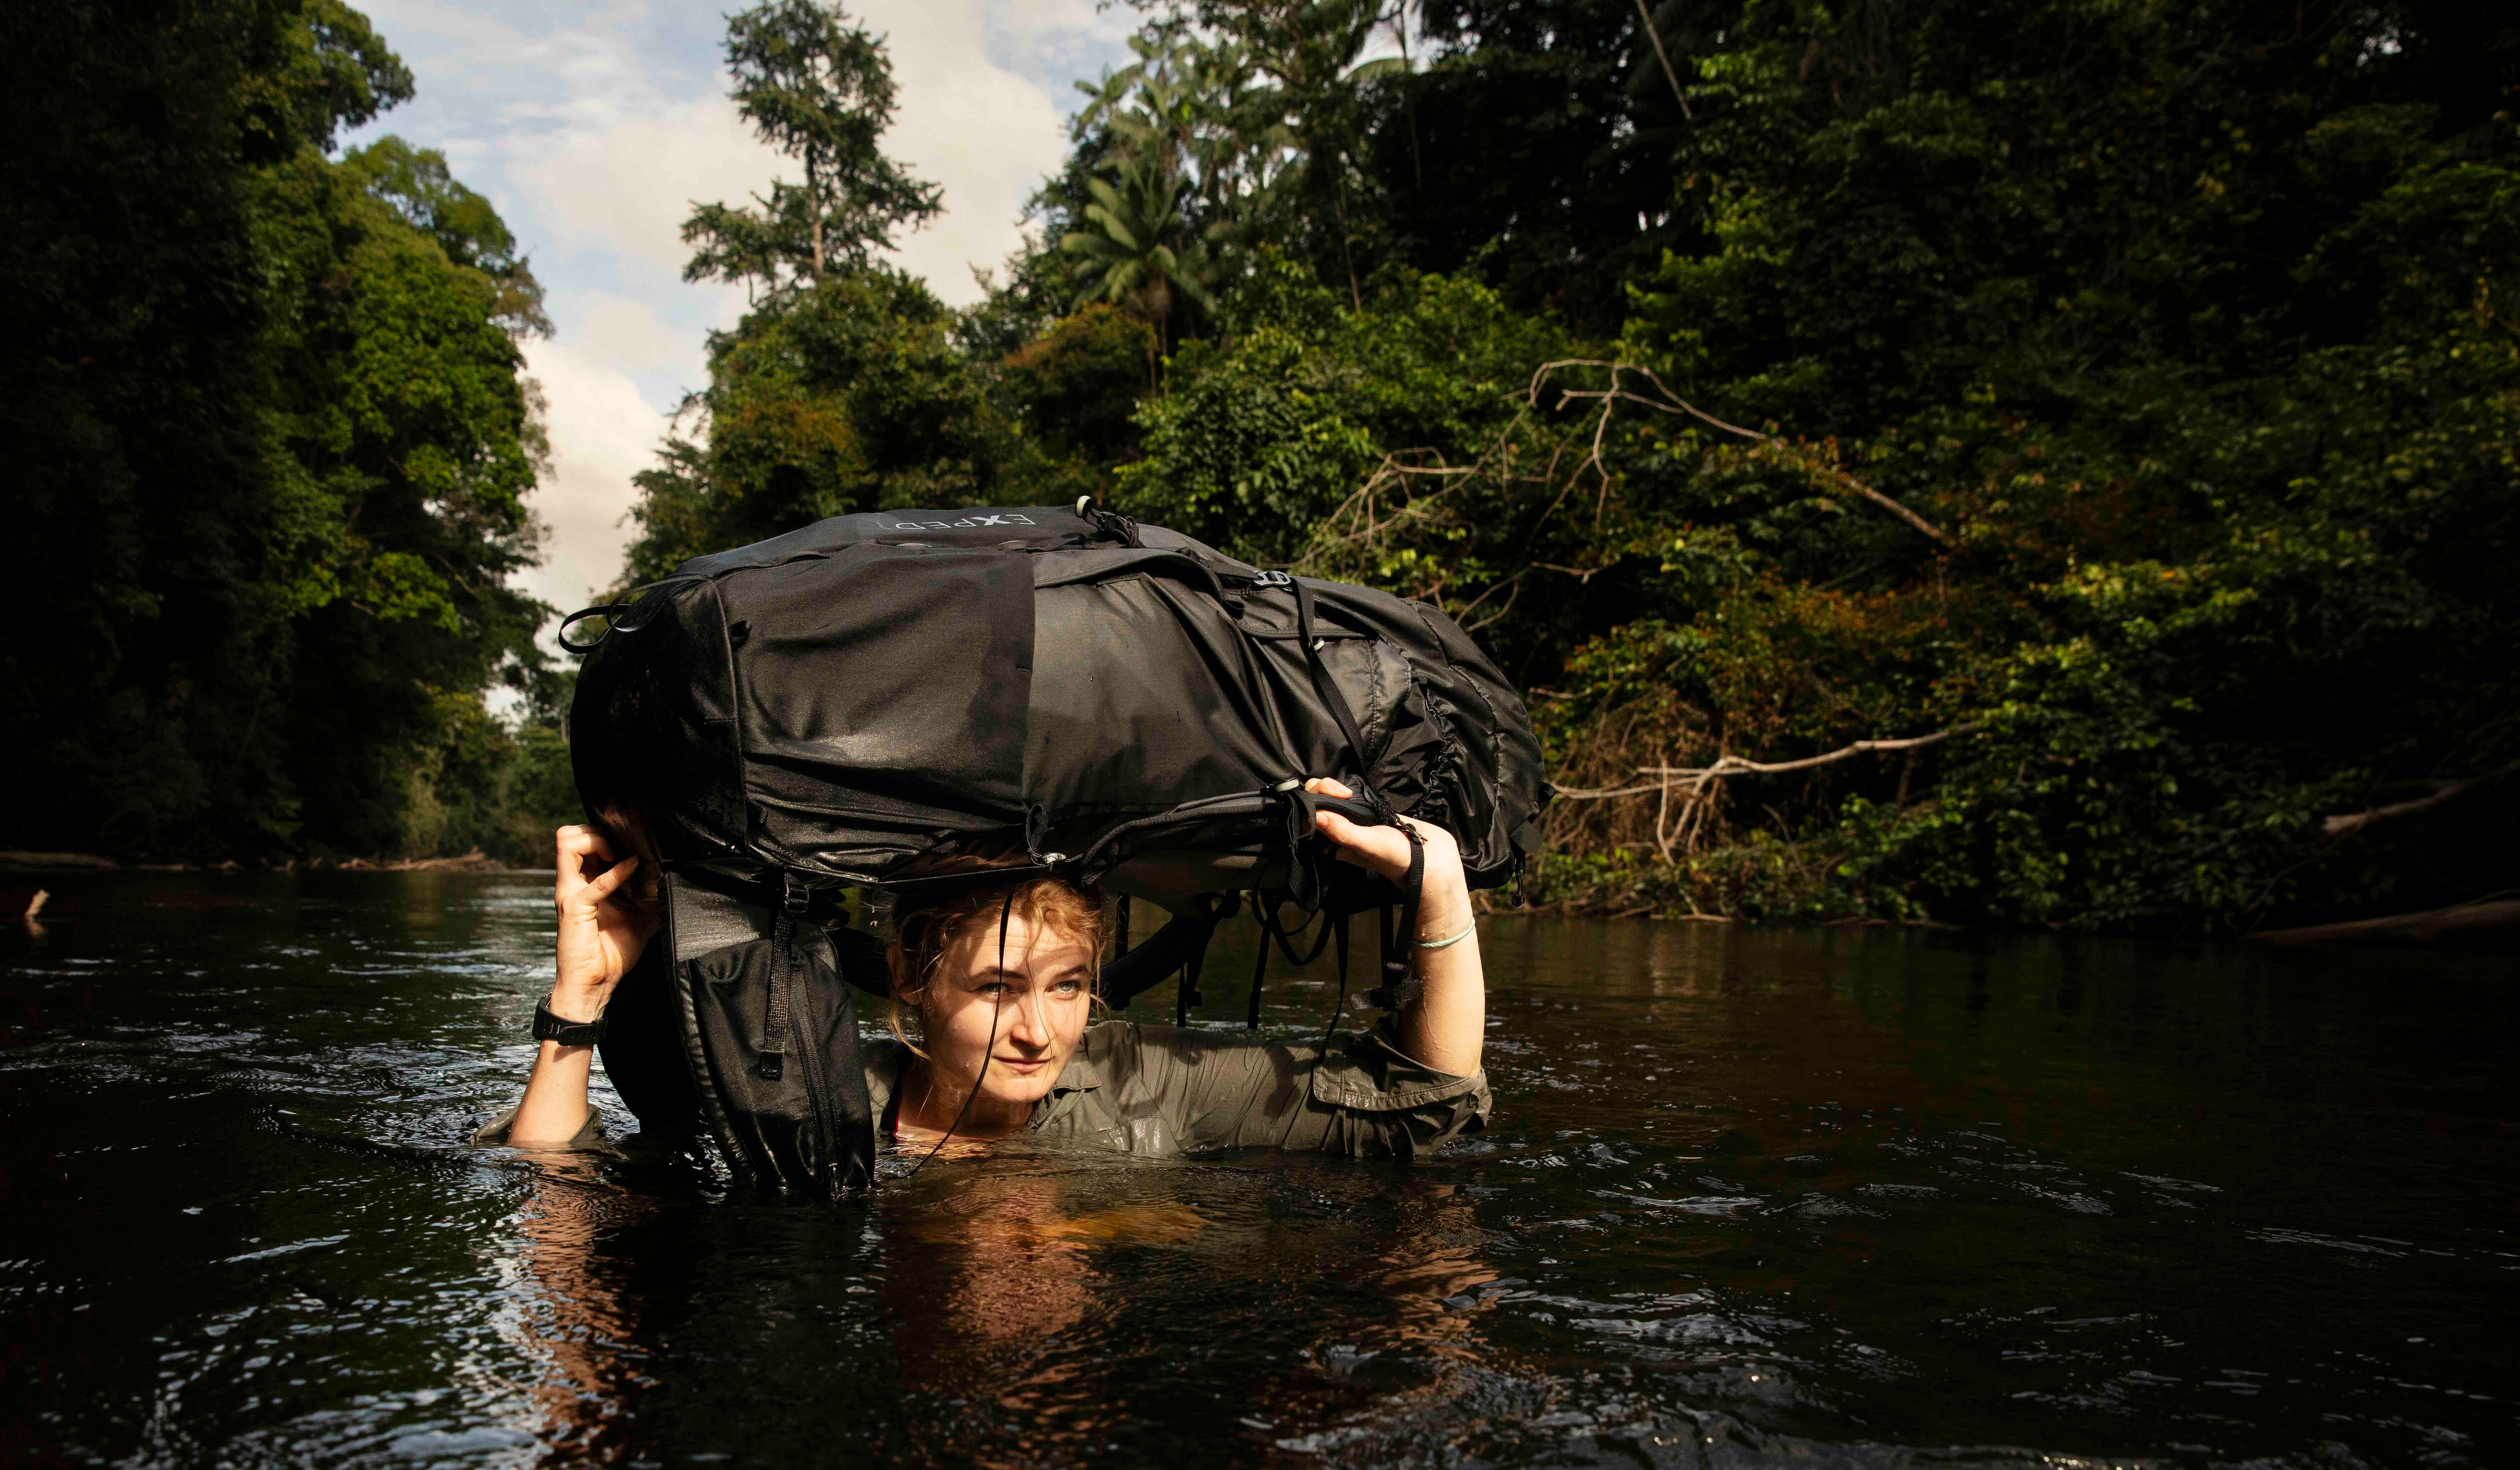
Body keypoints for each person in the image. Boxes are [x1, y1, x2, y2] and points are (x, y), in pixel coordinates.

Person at [494, 778, 1489, 1161]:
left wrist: (1441, 891)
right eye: (996, 988)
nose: (1038, 1033)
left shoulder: (1149, 1086)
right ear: (912, 986)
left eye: (1065, 985)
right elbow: (552, 1184)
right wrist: (582, 993)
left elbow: (1425, 1097)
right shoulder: (830, 1100)